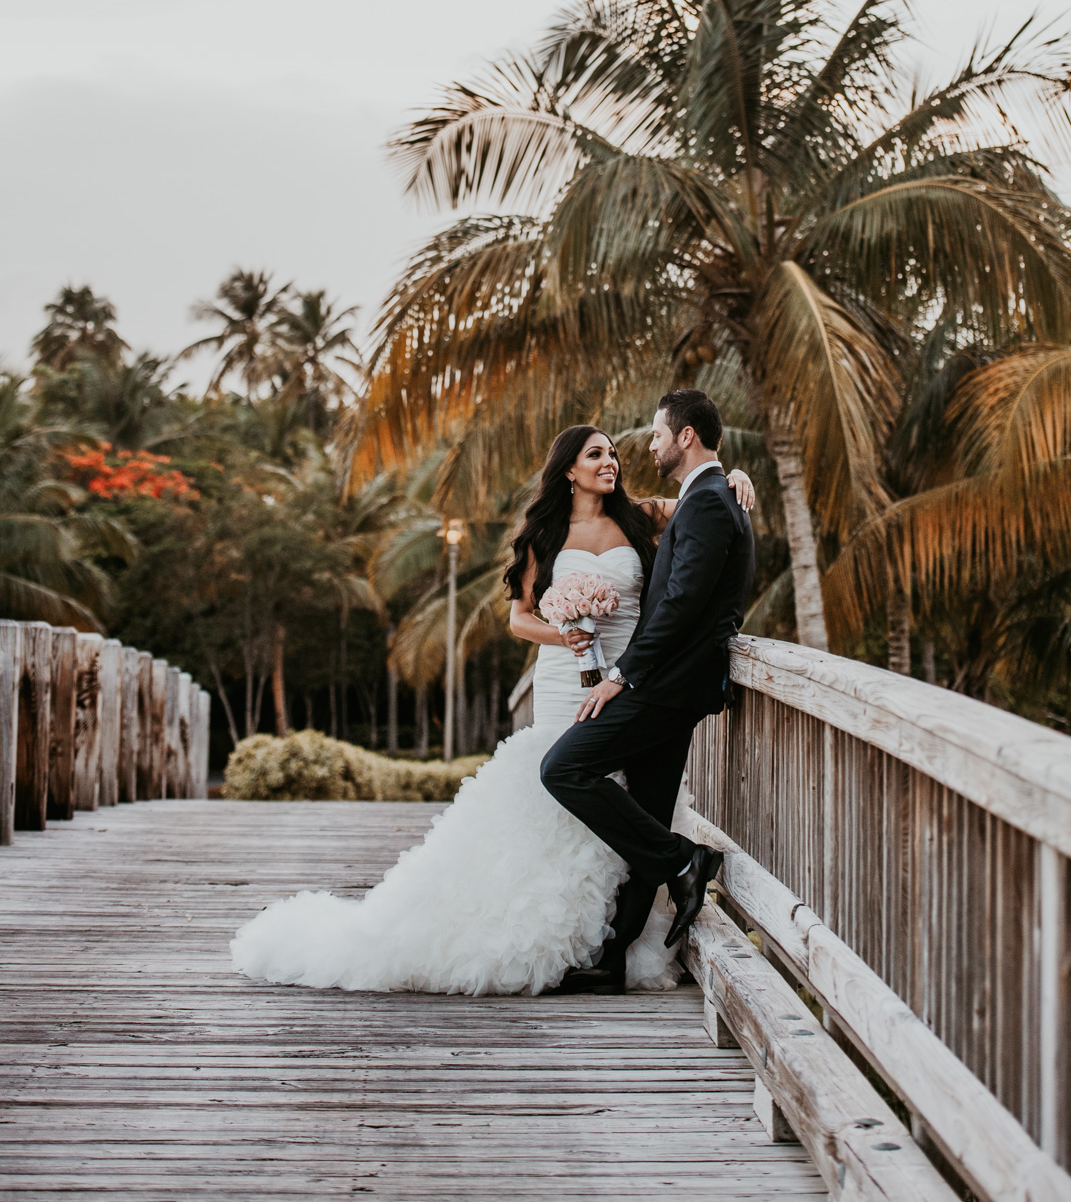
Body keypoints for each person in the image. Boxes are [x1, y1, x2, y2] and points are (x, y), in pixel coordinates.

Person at [229, 419, 754, 996]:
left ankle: (616, 940)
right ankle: (560, 929)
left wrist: (737, 476)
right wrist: (564, 635)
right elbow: (519, 617)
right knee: (556, 784)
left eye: (613, 454)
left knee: (622, 789)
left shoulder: (640, 515)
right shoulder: (543, 534)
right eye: (596, 454)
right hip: (566, 679)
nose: (612, 462)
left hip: (630, 679)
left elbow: (702, 498)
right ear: (569, 469)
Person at [539, 389, 755, 994]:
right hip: (674, 685)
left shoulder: (710, 501)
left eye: (658, 434)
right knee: (652, 812)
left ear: (685, 436)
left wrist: (621, 674)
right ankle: (614, 956)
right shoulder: (706, 497)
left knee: (564, 767)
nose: (649, 445)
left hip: (665, 686)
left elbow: (684, 604)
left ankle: (684, 861)